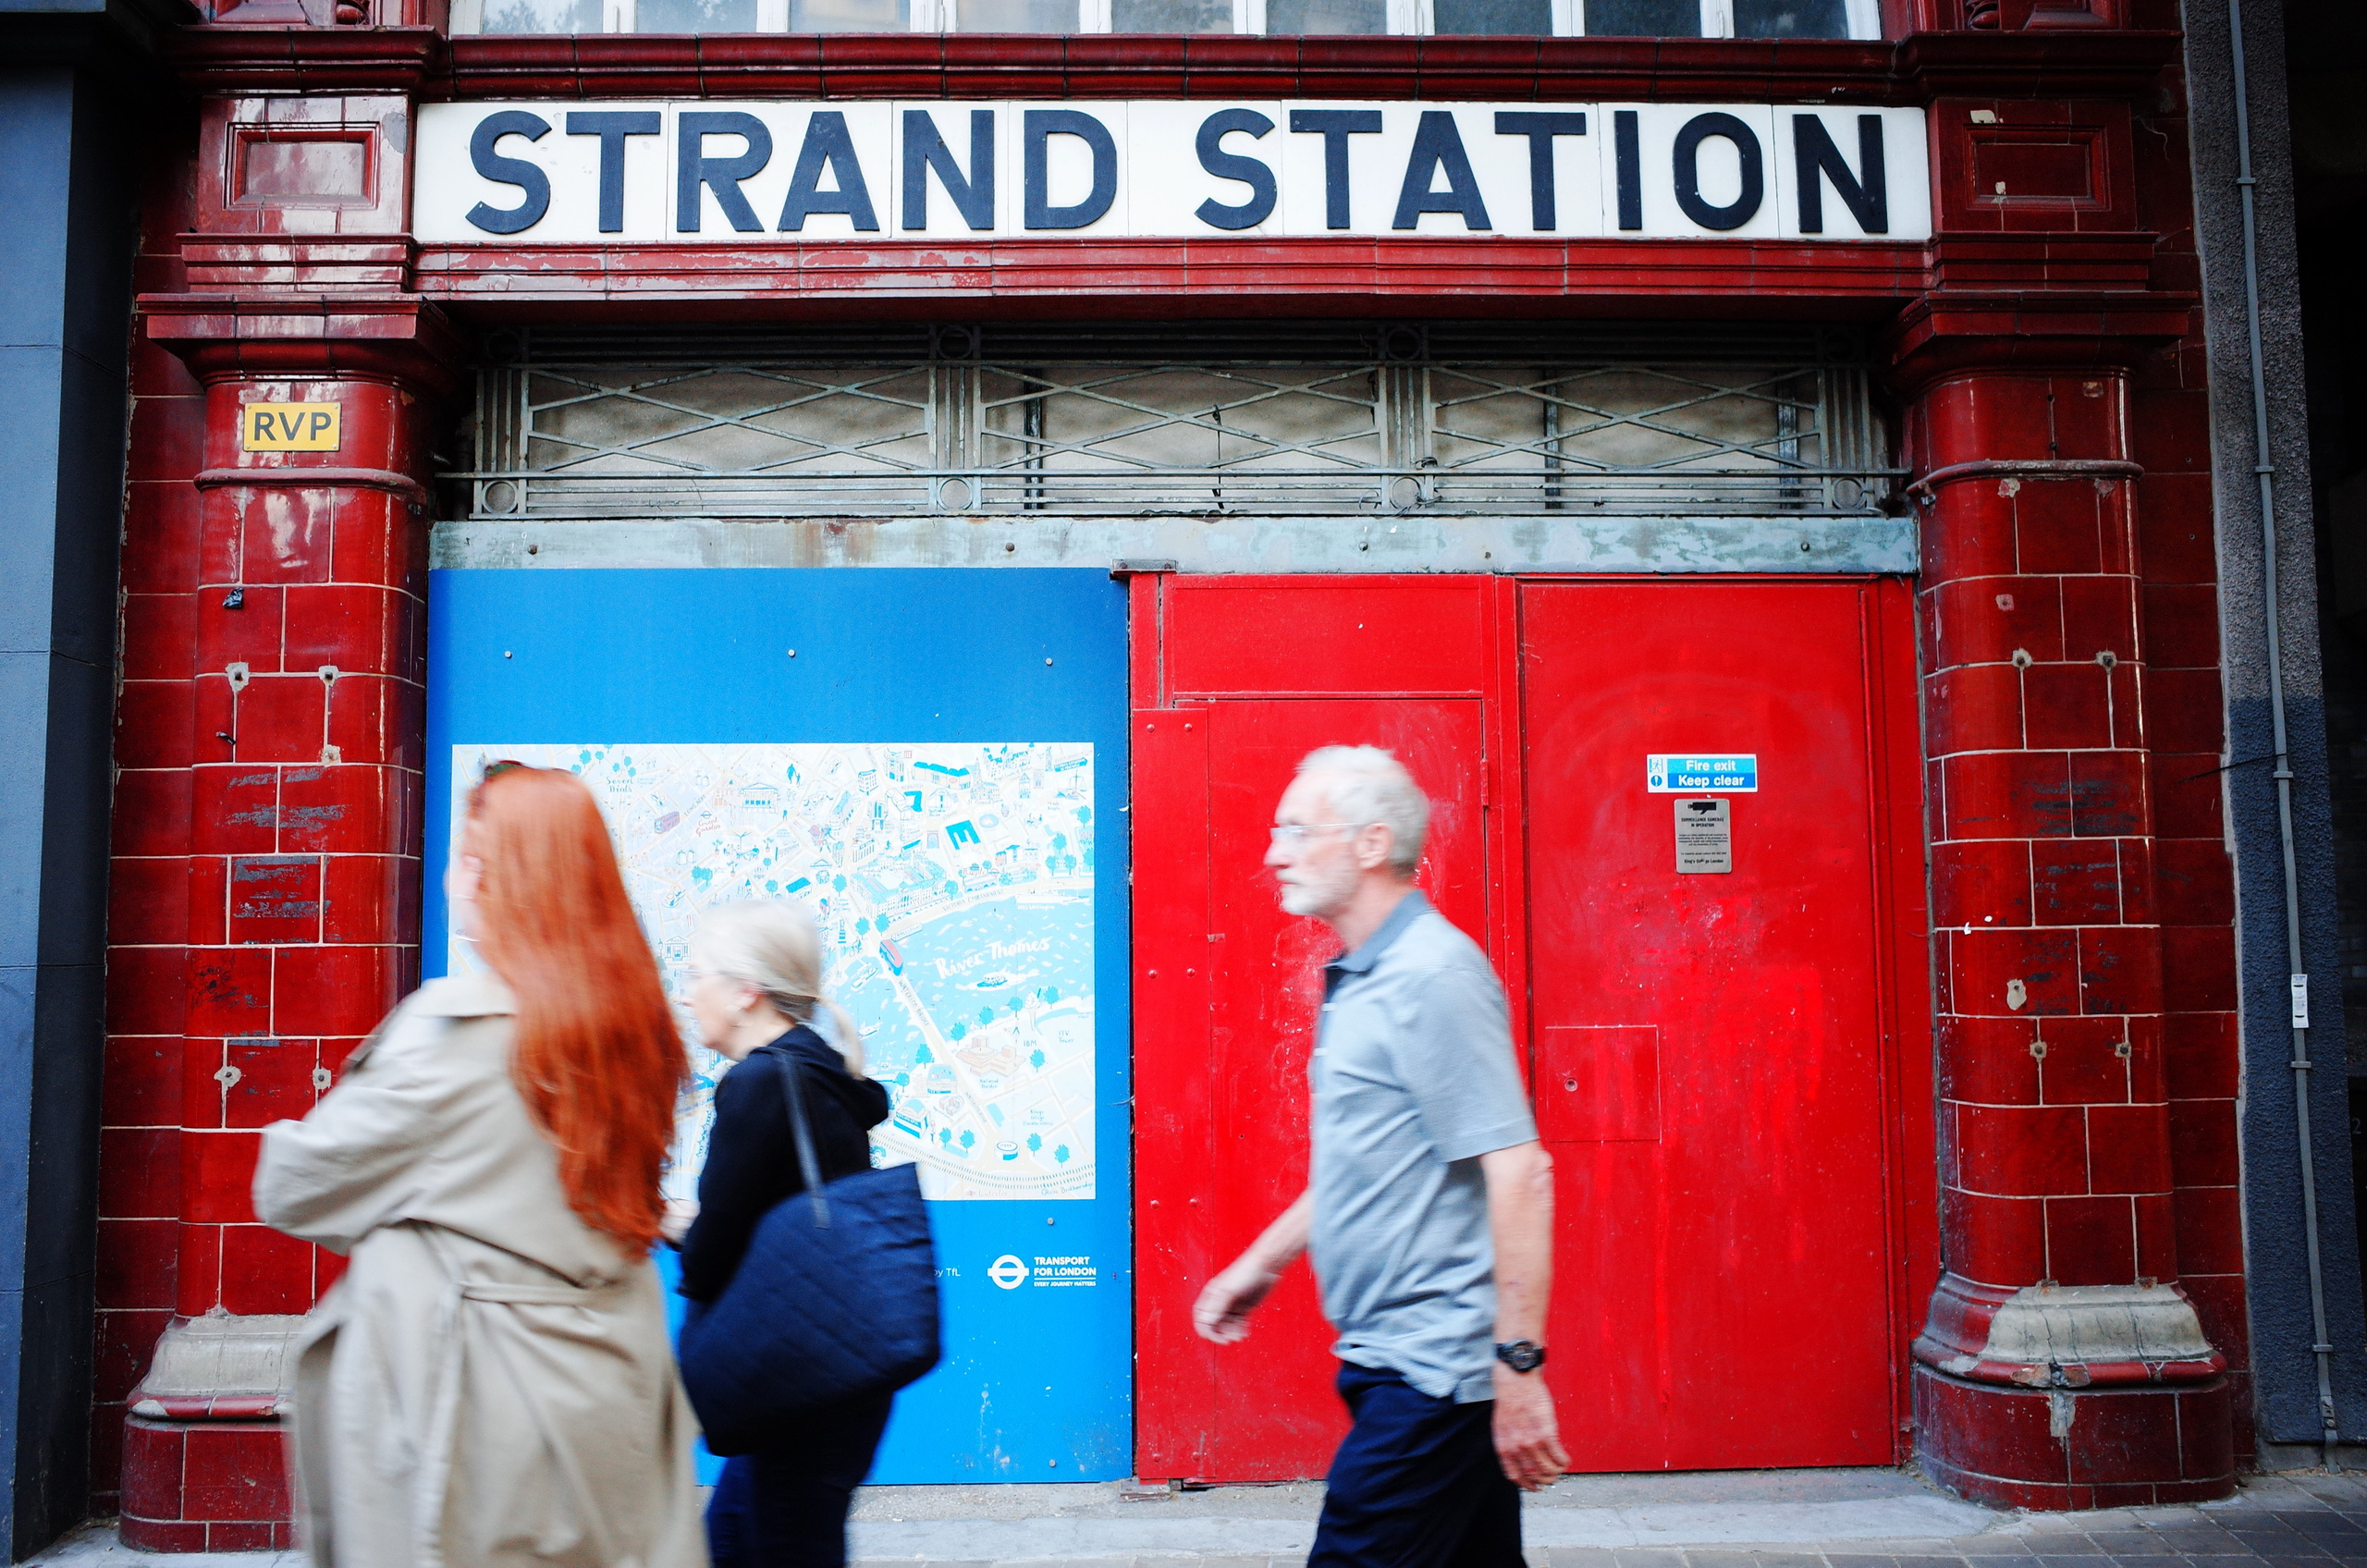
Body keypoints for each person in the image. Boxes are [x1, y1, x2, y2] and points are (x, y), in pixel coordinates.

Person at [253, 764, 705, 1568]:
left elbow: (293, 1188)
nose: (455, 879)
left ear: (498, 880)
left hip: (486, 1414)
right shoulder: (639, 1031)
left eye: (468, 859)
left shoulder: (456, 1033)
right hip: (616, 1387)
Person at [1193, 745, 1566, 1568]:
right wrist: (1263, 1262)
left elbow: (1520, 1172)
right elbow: (1370, 1164)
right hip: (1396, 1364)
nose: (1273, 853)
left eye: (1297, 830)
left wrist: (1517, 1368)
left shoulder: (1431, 974)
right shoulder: (1366, 975)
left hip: (1434, 1376)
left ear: (1371, 844)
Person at [677, 900, 894, 1568]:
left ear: (747, 991)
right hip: (827, 1378)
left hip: (796, 1387)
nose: (685, 995)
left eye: (697, 976)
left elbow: (709, 1261)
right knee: (735, 1542)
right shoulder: (816, 1069)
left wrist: (665, 1224)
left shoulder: (760, 1083)